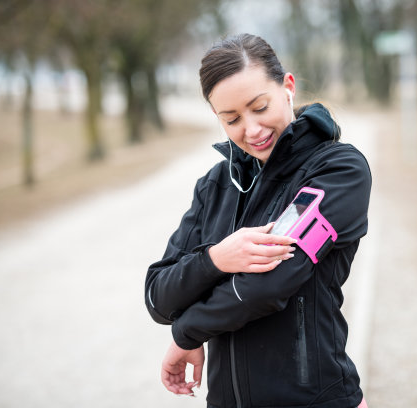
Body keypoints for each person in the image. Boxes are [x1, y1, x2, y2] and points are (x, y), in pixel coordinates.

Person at [144, 33, 371, 408]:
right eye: (231, 119)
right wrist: (216, 258)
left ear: (288, 88)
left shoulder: (337, 171)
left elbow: (266, 286)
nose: (251, 130)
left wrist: (186, 333)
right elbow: (158, 296)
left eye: (260, 106)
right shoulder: (216, 184)